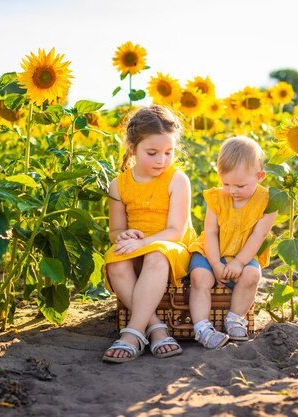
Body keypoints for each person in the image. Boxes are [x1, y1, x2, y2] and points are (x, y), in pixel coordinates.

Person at [102, 105, 196, 364]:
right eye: (152, 153)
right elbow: (116, 231)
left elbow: (176, 232)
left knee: (156, 256)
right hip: (140, 245)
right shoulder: (119, 185)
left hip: (171, 247)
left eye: (169, 152)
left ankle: (131, 335)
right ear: (132, 147)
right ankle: (156, 328)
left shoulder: (177, 180)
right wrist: (124, 236)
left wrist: (143, 243)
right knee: (115, 261)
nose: (161, 160)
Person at [187, 135, 277, 349]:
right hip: (210, 252)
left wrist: (238, 262)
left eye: (240, 185)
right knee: (200, 278)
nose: (232, 191)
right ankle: (201, 327)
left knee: (252, 275)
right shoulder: (218, 198)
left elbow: (258, 236)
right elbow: (210, 232)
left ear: (260, 176)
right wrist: (216, 263)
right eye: (226, 183)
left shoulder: (267, 202)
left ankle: (235, 319)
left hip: (244, 254)